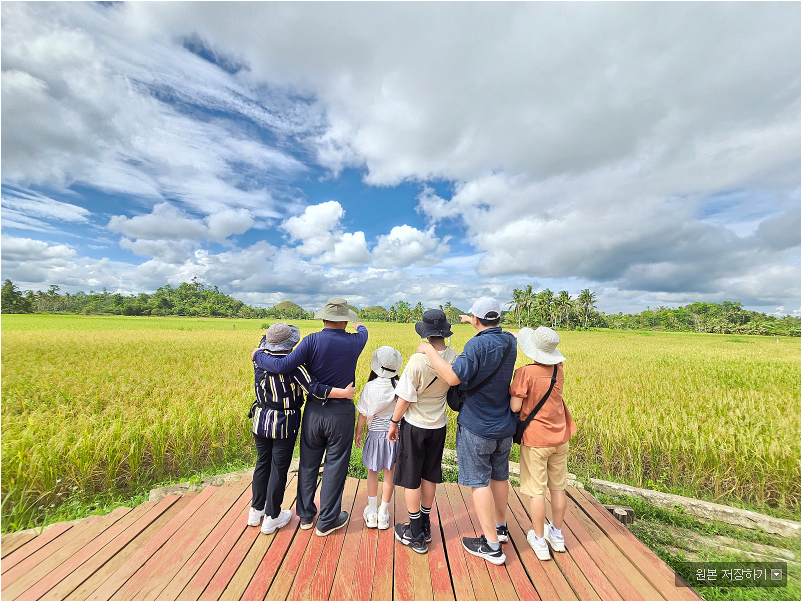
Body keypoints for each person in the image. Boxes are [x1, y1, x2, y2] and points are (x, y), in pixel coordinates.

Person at [252, 298, 367, 537]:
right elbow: (363, 330)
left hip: (314, 411)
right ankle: (327, 521)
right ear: (345, 320)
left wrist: (257, 355)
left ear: (323, 318)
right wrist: (359, 326)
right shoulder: (357, 341)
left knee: (308, 463)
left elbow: (282, 365)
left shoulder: (311, 340)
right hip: (341, 412)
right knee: (335, 465)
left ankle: (305, 516)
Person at [416, 297, 516, 565]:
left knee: (479, 482)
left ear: (476, 319)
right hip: (505, 425)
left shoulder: (476, 345)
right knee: (499, 476)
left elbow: (452, 377)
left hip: (477, 426)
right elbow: (521, 333)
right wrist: (472, 319)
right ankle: (501, 528)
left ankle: (492, 546)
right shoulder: (510, 341)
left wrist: (428, 351)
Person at [391, 309, 458, 554]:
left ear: (426, 334)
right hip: (438, 426)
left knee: (411, 477)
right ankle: (427, 525)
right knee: (430, 474)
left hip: (415, 426)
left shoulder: (418, 360)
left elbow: (405, 398)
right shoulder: (453, 357)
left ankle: (415, 533)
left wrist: (393, 422)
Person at [510, 326, 576, 560]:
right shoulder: (559, 370)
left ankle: (538, 539)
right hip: (560, 436)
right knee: (558, 487)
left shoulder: (525, 372)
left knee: (537, 491)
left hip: (536, 440)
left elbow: (516, 407)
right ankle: (557, 536)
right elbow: (550, 359)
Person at [354, 346, 403, 531]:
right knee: (389, 474)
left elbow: (363, 414)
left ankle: (372, 511)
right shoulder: (400, 385)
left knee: (372, 472)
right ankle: (384, 513)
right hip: (393, 436)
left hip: (374, 435)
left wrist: (358, 433)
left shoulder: (370, 386)